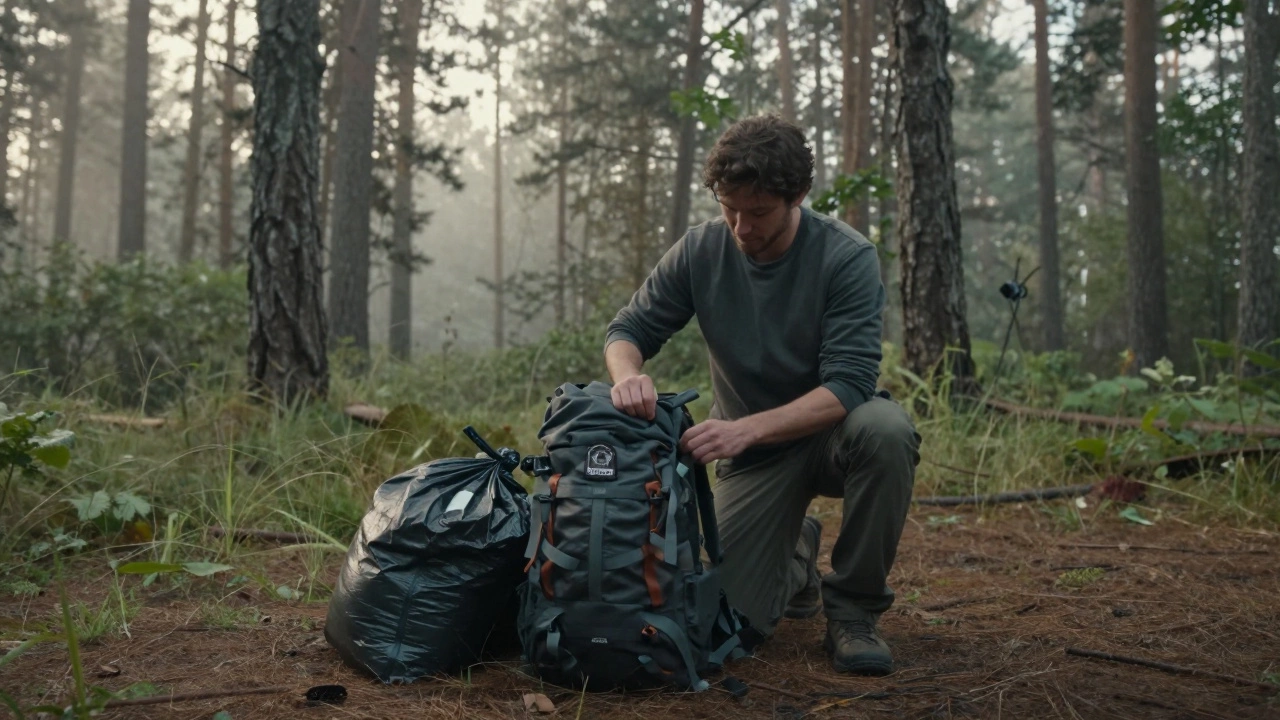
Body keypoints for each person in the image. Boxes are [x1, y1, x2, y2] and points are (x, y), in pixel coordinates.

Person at [603, 114, 920, 676]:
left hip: (833, 438)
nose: (742, 227)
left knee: (887, 430)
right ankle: (796, 554)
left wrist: (743, 428)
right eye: (730, 209)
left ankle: (852, 613)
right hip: (754, 459)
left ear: (797, 195)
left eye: (759, 213)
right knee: (724, 626)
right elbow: (628, 330)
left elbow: (849, 384)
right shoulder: (701, 250)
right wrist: (627, 374)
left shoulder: (845, 257)